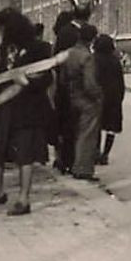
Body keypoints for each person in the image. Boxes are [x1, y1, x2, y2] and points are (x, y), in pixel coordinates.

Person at [0, 8, 56, 217]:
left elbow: (47, 79)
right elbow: (2, 75)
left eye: (2, 28)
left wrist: (28, 83)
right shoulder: (6, 47)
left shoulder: (40, 48)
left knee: (25, 153)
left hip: (27, 110)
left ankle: (24, 199)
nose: (0, 32)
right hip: (4, 108)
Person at [59, 23, 104, 180]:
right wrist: (98, 96)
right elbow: (90, 83)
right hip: (86, 100)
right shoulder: (87, 57)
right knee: (87, 135)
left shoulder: (69, 53)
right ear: (91, 39)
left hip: (72, 96)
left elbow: (62, 78)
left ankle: (71, 164)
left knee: (75, 133)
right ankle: (83, 169)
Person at [51, 10, 83, 172]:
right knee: (72, 126)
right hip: (71, 86)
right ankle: (69, 161)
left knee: (61, 124)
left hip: (59, 86)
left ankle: (59, 159)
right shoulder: (72, 34)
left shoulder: (59, 36)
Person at [94, 34, 127, 166]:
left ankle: (96, 152)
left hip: (98, 98)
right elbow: (120, 82)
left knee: (96, 126)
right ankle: (105, 154)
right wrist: (120, 97)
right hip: (113, 98)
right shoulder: (115, 62)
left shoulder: (94, 60)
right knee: (111, 128)